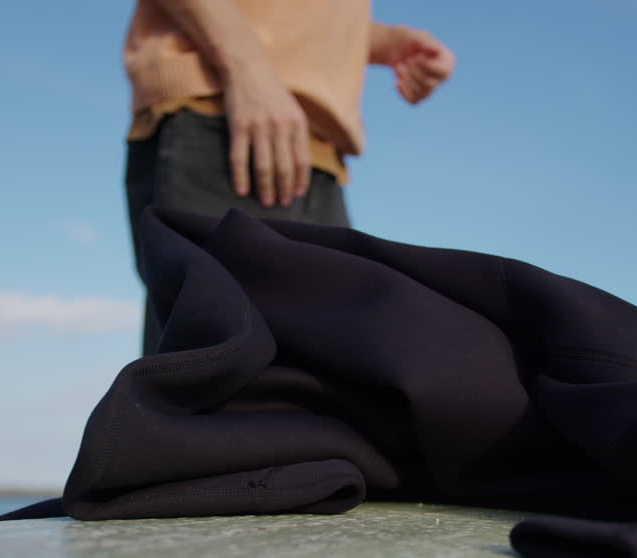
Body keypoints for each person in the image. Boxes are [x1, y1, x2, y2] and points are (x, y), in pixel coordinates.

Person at [122, 0, 456, 353]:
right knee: (219, 376)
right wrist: (246, 69)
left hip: (318, 152)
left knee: (321, 375)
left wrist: (381, 40)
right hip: (228, 114)